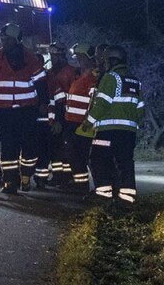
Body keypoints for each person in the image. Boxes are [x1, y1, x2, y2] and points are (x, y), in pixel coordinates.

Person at [0, 23, 48, 194]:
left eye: (7, 39)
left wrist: (44, 103)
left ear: (16, 40)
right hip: (4, 111)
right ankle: (9, 182)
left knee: (29, 146)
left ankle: (25, 176)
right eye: (3, 39)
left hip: (27, 110)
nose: (4, 42)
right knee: (7, 146)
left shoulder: (30, 58)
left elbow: (41, 82)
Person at [81, 45, 145, 208]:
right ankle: (127, 198)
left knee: (97, 159)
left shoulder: (111, 78)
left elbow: (101, 104)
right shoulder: (135, 80)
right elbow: (140, 108)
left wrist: (88, 122)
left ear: (111, 60)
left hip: (108, 131)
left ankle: (103, 194)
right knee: (125, 162)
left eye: (105, 60)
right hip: (128, 133)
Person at [34, 43, 76, 188]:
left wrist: (60, 119)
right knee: (55, 151)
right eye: (51, 56)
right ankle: (59, 177)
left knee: (65, 150)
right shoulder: (50, 74)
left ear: (62, 56)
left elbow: (65, 98)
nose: (53, 58)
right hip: (52, 118)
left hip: (67, 115)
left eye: (55, 56)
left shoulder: (70, 72)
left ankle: (69, 178)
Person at [63, 43, 100, 193]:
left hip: (84, 124)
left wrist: (88, 121)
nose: (77, 59)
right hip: (72, 123)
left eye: (79, 57)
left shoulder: (94, 77)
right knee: (75, 157)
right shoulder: (80, 75)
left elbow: (94, 102)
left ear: (87, 57)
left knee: (86, 157)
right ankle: (80, 185)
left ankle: (96, 187)